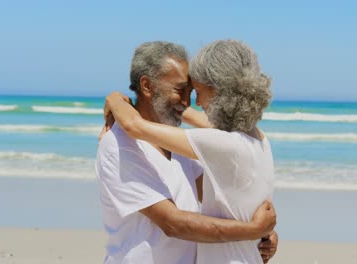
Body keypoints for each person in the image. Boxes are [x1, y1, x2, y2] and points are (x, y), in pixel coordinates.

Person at [96, 41, 277, 264]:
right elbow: (173, 223)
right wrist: (254, 231)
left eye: (193, 92)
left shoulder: (190, 143)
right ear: (147, 86)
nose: (190, 102)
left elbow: (223, 198)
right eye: (181, 90)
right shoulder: (119, 144)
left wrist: (260, 235)